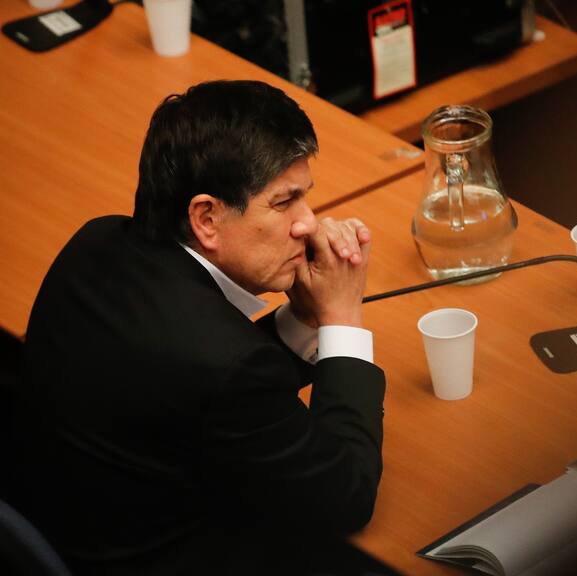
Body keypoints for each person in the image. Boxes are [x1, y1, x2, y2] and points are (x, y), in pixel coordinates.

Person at [10, 80, 388, 575]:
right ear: (206, 217)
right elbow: (345, 499)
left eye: (305, 198)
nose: (308, 224)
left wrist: (304, 316)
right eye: (284, 203)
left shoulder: (97, 240)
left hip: (68, 522)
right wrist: (341, 317)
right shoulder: (226, 365)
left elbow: (199, 387)